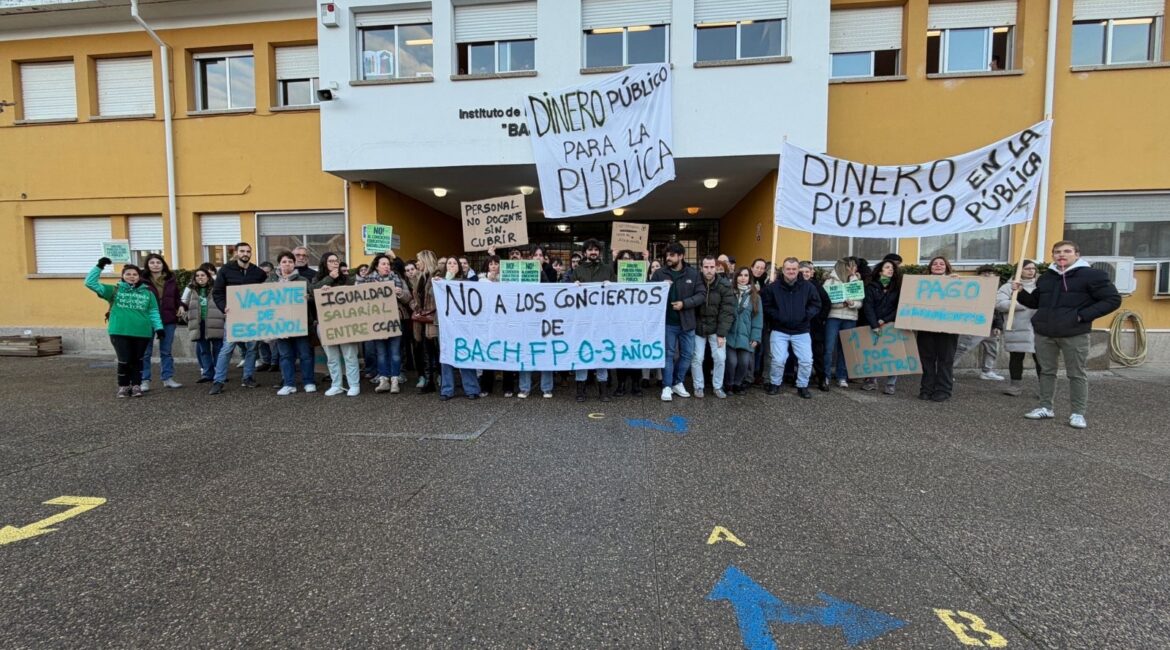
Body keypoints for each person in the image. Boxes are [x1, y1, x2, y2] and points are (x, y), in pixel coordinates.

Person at [1014, 240, 1121, 429]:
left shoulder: (1092, 275)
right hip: (1045, 332)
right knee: (1046, 371)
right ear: (1053, 255)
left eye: (1067, 251)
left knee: (1076, 374)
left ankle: (1078, 413)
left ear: (1077, 254)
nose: (1061, 255)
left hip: (1074, 333)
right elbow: (1035, 302)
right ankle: (1046, 407)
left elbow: (1112, 299)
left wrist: (1082, 316)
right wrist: (1020, 292)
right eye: (1057, 252)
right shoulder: (1046, 277)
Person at [85, 258, 164, 397]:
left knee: (137, 360)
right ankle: (123, 386)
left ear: (139, 276)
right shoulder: (114, 290)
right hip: (119, 331)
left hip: (142, 332)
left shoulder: (148, 293)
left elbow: (153, 312)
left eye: (135, 274)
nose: (131, 277)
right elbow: (90, 283)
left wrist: (159, 328)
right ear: (122, 276)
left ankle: (136, 386)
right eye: (128, 274)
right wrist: (99, 266)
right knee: (124, 360)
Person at [209, 242, 269, 395]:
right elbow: (217, 292)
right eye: (242, 251)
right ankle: (218, 381)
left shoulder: (258, 272)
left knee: (252, 348)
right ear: (236, 252)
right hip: (233, 316)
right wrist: (224, 307)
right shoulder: (225, 270)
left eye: (248, 251)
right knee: (227, 348)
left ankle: (248, 377)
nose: (245, 254)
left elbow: (267, 292)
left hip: (253, 317)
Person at [650, 243, 706, 401]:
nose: (668, 258)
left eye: (672, 255)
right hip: (667, 323)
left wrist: (684, 304)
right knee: (668, 355)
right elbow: (650, 293)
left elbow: (701, 295)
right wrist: (661, 287)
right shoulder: (660, 273)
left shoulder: (693, 274)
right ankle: (667, 386)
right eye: (667, 255)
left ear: (681, 256)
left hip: (687, 323)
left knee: (687, 354)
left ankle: (678, 382)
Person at [761, 257, 821, 398]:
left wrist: (805, 315)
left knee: (806, 361)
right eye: (788, 269)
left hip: (801, 330)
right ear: (783, 270)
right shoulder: (773, 287)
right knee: (778, 360)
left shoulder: (808, 287)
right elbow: (766, 305)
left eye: (794, 269)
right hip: (779, 329)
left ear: (798, 270)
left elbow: (816, 304)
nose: (791, 271)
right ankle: (775, 383)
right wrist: (778, 316)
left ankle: (802, 386)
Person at [356, 252, 412, 394]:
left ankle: (395, 380)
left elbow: (408, 298)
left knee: (395, 352)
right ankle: (384, 380)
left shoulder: (398, 279)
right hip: (377, 322)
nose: (387, 266)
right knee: (381, 352)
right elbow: (356, 298)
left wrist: (400, 293)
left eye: (388, 264)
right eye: (383, 264)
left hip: (395, 320)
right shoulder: (366, 281)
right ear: (376, 266)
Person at [570, 238, 616, 402]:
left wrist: (612, 285)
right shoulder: (578, 270)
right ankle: (580, 390)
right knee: (582, 352)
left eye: (596, 250)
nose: (593, 252)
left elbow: (617, 292)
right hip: (582, 320)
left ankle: (603, 390)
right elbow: (568, 296)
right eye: (590, 250)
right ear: (585, 253)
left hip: (602, 320)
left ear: (600, 252)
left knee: (601, 352)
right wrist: (573, 286)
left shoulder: (607, 269)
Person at [311, 252, 361, 396]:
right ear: (324, 263)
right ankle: (336, 385)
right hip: (325, 323)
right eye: (331, 261)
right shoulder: (318, 279)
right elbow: (311, 292)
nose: (335, 263)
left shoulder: (348, 279)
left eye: (336, 260)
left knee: (350, 355)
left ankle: (354, 385)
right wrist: (328, 280)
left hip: (346, 323)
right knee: (332, 357)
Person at [268, 251, 315, 396]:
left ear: (294, 264)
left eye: (290, 261)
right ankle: (289, 384)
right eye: (284, 261)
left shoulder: (303, 280)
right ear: (279, 264)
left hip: (301, 323)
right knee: (285, 355)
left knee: (305, 354)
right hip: (281, 325)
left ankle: (309, 382)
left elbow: (313, 299)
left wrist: (307, 298)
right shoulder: (271, 281)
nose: (287, 264)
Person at [690, 255, 736, 398]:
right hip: (698, 326)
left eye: (711, 267)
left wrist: (722, 334)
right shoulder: (695, 283)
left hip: (717, 327)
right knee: (697, 357)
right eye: (706, 267)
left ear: (716, 268)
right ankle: (698, 386)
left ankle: (717, 386)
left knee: (720, 357)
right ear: (701, 268)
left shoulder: (724, 285)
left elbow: (727, 311)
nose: (709, 270)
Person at [437, 256, 481, 400]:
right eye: (449, 263)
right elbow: (432, 295)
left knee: (465, 353)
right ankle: (447, 390)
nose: (451, 265)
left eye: (454, 263)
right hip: (446, 325)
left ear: (459, 267)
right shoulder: (439, 281)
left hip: (463, 326)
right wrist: (445, 280)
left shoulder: (466, 282)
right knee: (446, 356)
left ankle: (471, 389)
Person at [917, 256, 960, 402]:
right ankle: (926, 389)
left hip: (948, 329)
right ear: (930, 267)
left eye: (942, 264)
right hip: (926, 327)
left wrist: (958, 282)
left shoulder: (956, 282)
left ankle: (943, 390)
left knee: (945, 360)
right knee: (927, 360)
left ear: (947, 267)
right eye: (935, 264)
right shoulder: (921, 283)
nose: (938, 266)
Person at [997, 259, 1041, 397]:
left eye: (1033, 268)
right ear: (1019, 271)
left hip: (1038, 328)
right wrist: (1021, 303)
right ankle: (1015, 386)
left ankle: (1045, 389)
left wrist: (1028, 301)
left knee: (1041, 359)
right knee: (1016, 357)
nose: (1031, 271)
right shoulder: (1008, 287)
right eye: (1027, 268)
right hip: (1017, 327)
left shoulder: (1040, 285)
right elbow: (999, 303)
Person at [139, 253, 183, 391]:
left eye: (158, 262)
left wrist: (181, 306)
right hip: (148, 320)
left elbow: (176, 297)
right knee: (145, 352)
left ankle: (167, 378)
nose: (155, 265)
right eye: (152, 263)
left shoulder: (171, 279)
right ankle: (144, 380)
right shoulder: (141, 280)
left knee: (166, 351)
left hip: (168, 319)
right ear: (147, 265)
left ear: (163, 264)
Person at [956, 265, 1006, 380]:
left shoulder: (998, 291)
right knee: (962, 348)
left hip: (991, 327)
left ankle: (987, 371)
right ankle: (946, 371)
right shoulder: (971, 289)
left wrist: (998, 326)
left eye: (990, 272)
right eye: (984, 273)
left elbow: (998, 310)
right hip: (974, 325)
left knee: (992, 350)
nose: (987, 275)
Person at [477, 255, 518, 397]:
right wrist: (491, 281)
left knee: (506, 353)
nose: (494, 266)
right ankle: (486, 387)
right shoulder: (481, 281)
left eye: (496, 263)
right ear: (487, 266)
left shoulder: (508, 280)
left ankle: (508, 387)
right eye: (491, 264)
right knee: (489, 354)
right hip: (489, 324)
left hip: (505, 323)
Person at [860, 259, 902, 395]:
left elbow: (899, 307)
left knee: (893, 354)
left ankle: (891, 384)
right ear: (880, 271)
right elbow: (868, 306)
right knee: (874, 353)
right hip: (874, 324)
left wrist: (885, 319)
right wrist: (874, 324)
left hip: (891, 324)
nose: (891, 270)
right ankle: (871, 381)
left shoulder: (897, 287)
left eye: (893, 268)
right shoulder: (871, 287)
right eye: (887, 267)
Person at [822, 257, 861, 388]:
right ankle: (825, 376)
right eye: (852, 266)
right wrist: (842, 304)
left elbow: (860, 302)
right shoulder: (830, 281)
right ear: (845, 267)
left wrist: (852, 303)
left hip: (850, 318)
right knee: (829, 348)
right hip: (833, 317)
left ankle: (842, 376)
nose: (855, 269)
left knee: (845, 348)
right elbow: (826, 302)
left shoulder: (856, 281)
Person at [725, 266, 762, 396]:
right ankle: (729, 384)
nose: (743, 278)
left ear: (749, 278)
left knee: (744, 362)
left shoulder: (755, 297)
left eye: (746, 275)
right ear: (736, 277)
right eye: (740, 275)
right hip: (729, 335)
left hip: (745, 336)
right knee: (731, 362)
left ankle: (738, 383)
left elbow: (757, 319)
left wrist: (755, 337)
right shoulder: (729, 293)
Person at [184, 268, 224, 385]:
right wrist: (187, 317)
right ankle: (207, 374)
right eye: (197, 276)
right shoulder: (191, 290)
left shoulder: (216, 289)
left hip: (215, 323)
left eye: (203, 275)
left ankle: (219, 374)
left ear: (208, 277)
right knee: (204, 351)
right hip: (199, 324)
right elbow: (184, 305)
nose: (200, 277)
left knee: (218, 350)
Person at [799, 261, 832, 390]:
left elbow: (826, 303)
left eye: (807, 272)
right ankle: (799, 378)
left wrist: (820, 318)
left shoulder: (817, 286)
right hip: (798, 325)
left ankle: (822, 379)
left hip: (815, 326)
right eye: (802, 272)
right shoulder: (794, 285)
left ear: (811, 273)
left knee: (817, 354)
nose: (805, 274)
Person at [411, 250, 440, 393]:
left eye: (419, 260)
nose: (417, 263)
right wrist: (415, 307)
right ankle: (429, 381)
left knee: (436, 349)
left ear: (425, 261)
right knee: (425, 350)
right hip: (421, 319)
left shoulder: (436, 276)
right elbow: (416, 298)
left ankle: (440, 377)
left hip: (433, 318)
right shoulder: (419, 277)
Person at [749, 257, 770, 385]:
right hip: (749, 321)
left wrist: (761, 291)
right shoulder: (746, 279)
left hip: (764, 321)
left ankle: (758, 373)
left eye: (762, 268)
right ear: (752, 268)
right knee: (751, 349)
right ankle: (749, 375)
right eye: (757, 267)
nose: (759, 270)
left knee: (761, 351)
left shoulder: (767, 283)